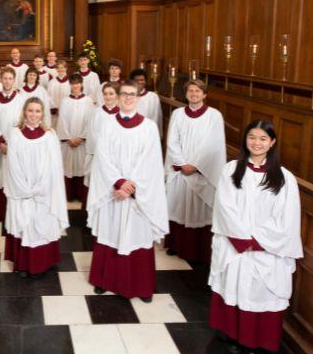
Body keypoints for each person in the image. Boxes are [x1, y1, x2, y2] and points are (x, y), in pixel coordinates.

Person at [209, 120, 303, 354]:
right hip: (236, 244)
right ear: (245, 140)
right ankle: (233, 335)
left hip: (266, 248)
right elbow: (224, 206)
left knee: (260, 292)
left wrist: (259, 240)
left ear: (272, 143)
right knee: (234, 286)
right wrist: (241, 238)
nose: (257, 143)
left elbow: (288, 216)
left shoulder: (284, 178)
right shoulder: (231, 169)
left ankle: (255, 341)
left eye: (263, 138)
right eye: (252, 137)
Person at [87, 81, 168, 302]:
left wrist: (132, 187)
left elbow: (151, 162)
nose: (128, 98)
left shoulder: (149, 127)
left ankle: (141, 285)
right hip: (113, 191)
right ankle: (105, 281)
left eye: (132, 95)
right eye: (124, 94)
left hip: (137, 195)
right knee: (110, 232)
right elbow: (102, 158)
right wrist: (118, 182)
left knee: (137, 235)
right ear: (118, 97)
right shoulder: (108, 124)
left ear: (139, 98)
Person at [3, 97, 68, 277]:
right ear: (25, 112)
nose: (33, 114)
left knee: (41, 222)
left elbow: (54, 166)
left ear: (42, 113)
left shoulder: (50, 135)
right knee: (24, 223)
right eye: (30, 110)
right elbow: (12, 164)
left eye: (37, 111)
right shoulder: (15, 133)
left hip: (44, 191)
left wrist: (40, 187)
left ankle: (43, 262)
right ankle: (23, 263)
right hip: (21, 190)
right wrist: (24, 188)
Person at [164, 80, 226, 263]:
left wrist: (196, 165)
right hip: (181, 170)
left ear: (205, 94)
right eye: (190, 90)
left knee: (200, 211)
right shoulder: (177, 114)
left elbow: (213, 144)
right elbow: (172, 141)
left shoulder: (214, 115)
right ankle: (176, 245)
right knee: (178, 206)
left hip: (202, 171)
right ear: (186, 94)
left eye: (198, 91)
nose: (194, 93)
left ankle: (200, 249)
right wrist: (182, 164)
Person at [0, 67, 24, 222]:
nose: (7, 81)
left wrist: (11, 143)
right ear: (0, 79)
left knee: (12, 177)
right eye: (4, 78)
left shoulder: (20, 99)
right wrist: (0, 142)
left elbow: (22, 122)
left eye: (10, 78)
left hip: (14, 145)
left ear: (14, 80)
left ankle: (12, 214)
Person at [56, 74, 95, 204]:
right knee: (68, 166)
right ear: (70, 85)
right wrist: (68, 138)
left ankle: (80, 194)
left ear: (82, 84)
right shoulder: (65, 101)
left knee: (81, 166)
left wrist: (82, 137)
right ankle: (69, 194)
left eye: (78, 83)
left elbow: (91, 121)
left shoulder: (88, 101)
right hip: (69, 142)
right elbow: (62, 120)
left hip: (82, 142)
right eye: (73, 83)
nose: (75, 86)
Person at [130, 68, 162, 135]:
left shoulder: (153, 97)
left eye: (142, 80)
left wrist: (156, 134)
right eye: (136, 80)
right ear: (132, 82)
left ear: (145, 81)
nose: (139, 82)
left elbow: (157, 117)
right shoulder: (127, 96)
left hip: (147, 132)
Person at [47, 60, 70, 127]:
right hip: (55, 111)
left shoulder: (70, 82)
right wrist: (55, 109)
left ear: (66, 68)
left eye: (62, 67)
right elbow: (49, 97)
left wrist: (63, 108)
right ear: (56, 69)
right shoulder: (51, 82)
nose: (60, 69)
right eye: (58, 68)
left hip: (66, 110)